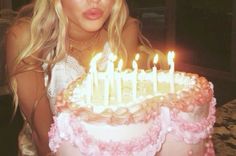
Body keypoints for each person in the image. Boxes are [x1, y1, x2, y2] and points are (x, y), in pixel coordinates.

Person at [5, 0, 152, 155]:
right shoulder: (28, 39)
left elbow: (124, 120)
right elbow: (45, 140)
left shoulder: (123, 31)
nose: (94, 1)